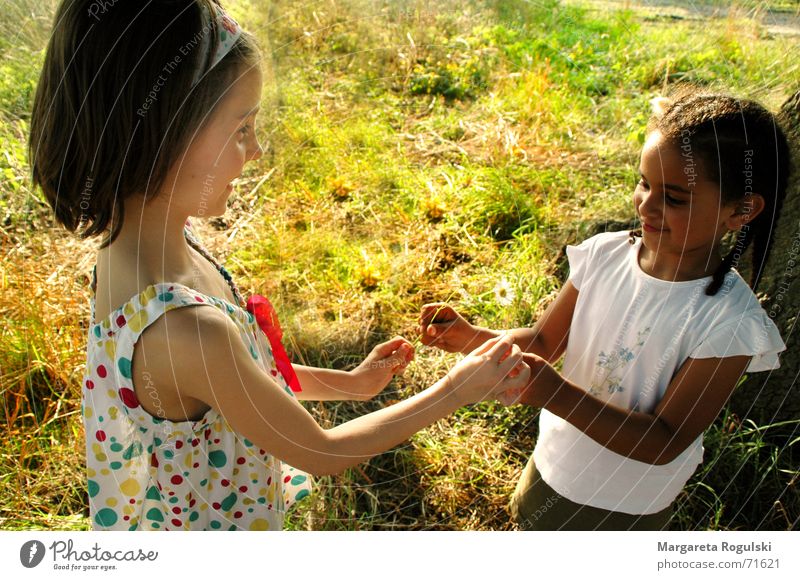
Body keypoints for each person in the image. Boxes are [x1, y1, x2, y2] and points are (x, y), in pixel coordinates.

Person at [29, 0, 530, 531]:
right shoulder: (183, 330)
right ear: (162, 133)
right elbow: (321, 451)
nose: (258, 150)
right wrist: (455, 390)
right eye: (241, 129)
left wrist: (351, 384)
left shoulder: (143, 250)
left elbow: (243, 381)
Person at [419, 89, 790, 530]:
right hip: (554, 460)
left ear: (740, 210)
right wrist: (471, 337)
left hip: (624, 505)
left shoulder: (730, 324)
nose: (646, 205)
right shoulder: (603, 255)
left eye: (674, 198)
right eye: (644, 183)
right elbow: (541, 341)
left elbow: (664, 439)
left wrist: (555, 394)